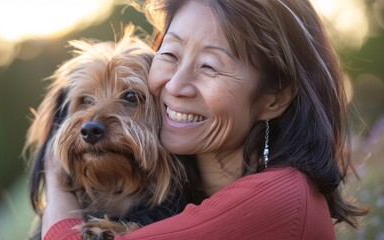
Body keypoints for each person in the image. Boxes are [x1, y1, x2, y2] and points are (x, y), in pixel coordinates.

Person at [41, 0, 368, 239]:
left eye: (210, 66)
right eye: (169, 55)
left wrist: (55, 182)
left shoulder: (276, 199)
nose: (175, 85)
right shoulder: (193, 197)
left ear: (274, 97)